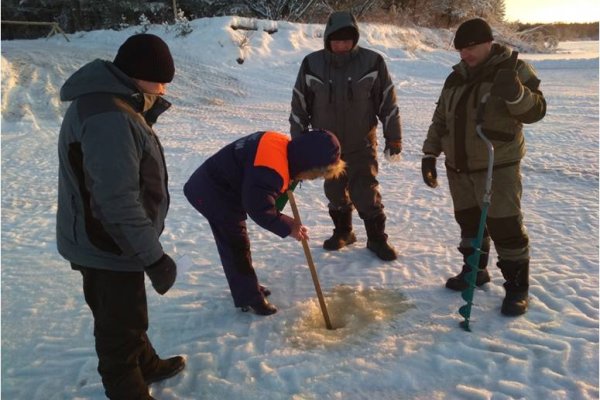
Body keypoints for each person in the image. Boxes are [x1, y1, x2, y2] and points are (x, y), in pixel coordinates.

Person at [56, 34, 185, 399]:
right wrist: (154, 258)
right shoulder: (110, 117)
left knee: (124, 314)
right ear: (137, 73)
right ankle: (129, 385)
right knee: (119, 332)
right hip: (108, 243)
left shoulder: (112, 104)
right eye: (159, 80)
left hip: (107, 239)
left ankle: (146, 363)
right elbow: (116, 202)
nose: (162, 88)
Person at [421, 18, 546, 316]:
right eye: (461, 49)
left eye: (471, 47)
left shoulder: (513, 70)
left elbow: (536, 111)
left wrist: (515, 93)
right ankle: (475, 270)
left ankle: (517, 287)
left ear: (489, 42)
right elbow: (441, 118)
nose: (465, 54)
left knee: (505, 226)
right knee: (469, 224)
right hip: (459, 167)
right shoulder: (455, 77)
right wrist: (430, 154)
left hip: (496, 165)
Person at [183, 129, 345, 315]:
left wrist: (285, 216)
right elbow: (259, 208)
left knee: (237, 243)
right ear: (306, 164)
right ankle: (249, 297)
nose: (311, 180)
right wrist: (288, 227)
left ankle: (248, 288)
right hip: (212, 193)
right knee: (235, 244)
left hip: (221, 184)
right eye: (314, 175)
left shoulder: (283, 147)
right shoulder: (270, 171)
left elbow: (266, 193)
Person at [289, 10, 402, 261]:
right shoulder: (312, 63)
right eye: (336, 40)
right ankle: (343, 232)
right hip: (326, 147)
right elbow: (299, 105)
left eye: (347, 40)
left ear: (355, 39)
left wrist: (393, 138)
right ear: (327, 39)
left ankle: (376, 239)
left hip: (361, 142)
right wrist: (299, 144)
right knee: (335, 191)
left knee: (366, 191)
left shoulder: (372, 62)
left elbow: (388, 102)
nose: (341, 45)